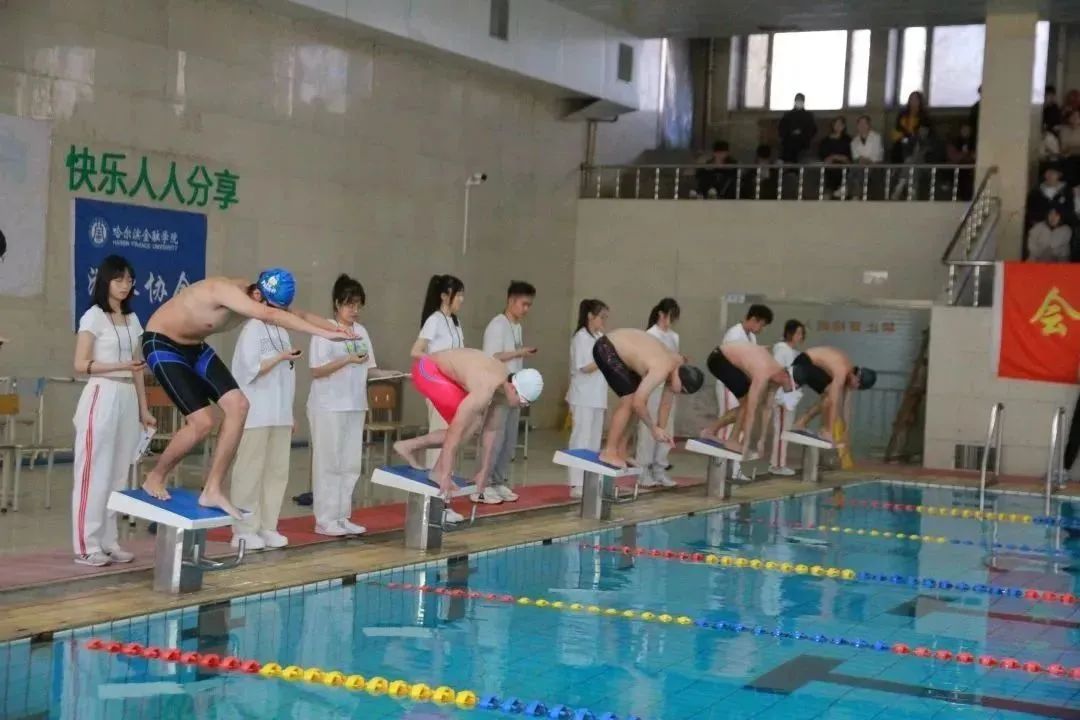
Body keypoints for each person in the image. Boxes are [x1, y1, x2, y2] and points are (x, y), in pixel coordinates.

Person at [140, 270, 353, 517]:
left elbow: (298, 314)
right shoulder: (226, 291)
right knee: (203, 422)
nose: (273, 314)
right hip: (161, 342)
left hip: (195, 348)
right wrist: (326, 335)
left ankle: (212, 489)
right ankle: (155, 477)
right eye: (269, 306)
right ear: (257, 294)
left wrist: (338, 329)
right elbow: (271, 314)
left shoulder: (263, 300)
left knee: (239, 405)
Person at [71, 255, 155, 566]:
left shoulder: (133, 320)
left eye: (129, 280)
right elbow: (80, 364)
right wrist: (119, 365)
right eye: (119, 279)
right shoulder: (93, 317)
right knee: (94, 471)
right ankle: (86, 544)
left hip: (127, 395)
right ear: (106, 281)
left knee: (119, 473)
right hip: (101, 393)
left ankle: (109, 541)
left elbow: (138, 369)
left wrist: (144, 410)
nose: (125, 285)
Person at [307, 274, 397, 536]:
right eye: (349, 304)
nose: (354, 310)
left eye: (358, 305)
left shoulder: (361, 332)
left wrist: (390, 374)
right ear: (337, 304)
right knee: (329, 463)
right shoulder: (325, 330)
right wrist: (347, 359)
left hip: (355, 405)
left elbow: (369, 368)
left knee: (349, 464)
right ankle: (325, 519)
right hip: (328, 406)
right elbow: (316, 370)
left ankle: (342, 515)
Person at [392, 349, 543, 497]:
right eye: (523, 401)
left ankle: (408, 446)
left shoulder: (504, 387)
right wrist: (446, 474)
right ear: (513, 388)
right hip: (427, 369)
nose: (522, 406)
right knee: (468, 425)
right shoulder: (485, 387)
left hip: (444, 374)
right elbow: (455, 432)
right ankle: (436, 470)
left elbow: (492, 430)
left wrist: (484, 471)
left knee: (474, 424)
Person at [227, 281, 302, 550]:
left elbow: (288, 376)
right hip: (256, 412)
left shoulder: (282, 330)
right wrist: (280, 357)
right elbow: (249, 369)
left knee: (276, 472)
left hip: (279, 413)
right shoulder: (252, 329)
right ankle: (243, 529)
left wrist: (290, 412)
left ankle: (268, 526)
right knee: (249, 471)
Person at [592, 328, 704, 468]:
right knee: (630, 401)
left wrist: (661, 432)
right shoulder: (662, 368)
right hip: (606, 347)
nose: (678, 393)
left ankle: (621, 450)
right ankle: (609, 451)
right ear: (681, 383)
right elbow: (638, 403)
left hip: (618, 349)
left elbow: (665, 406)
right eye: (682, 391)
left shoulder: (676, 366)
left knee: (636, 404)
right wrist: (653, 428)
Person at [478, 281, 537, 505]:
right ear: (511, 301)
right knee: (495, 436)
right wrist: (519, 352)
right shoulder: (497, 325)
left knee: (509, 437)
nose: (526, 309)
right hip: (499, 387)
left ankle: (498, 480)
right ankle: (482, 483)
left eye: (529, 305)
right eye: (523, 304)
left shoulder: (517, 326)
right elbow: (491, 356)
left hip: (515, 389)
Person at [701, 342, 795, 463]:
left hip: (727, 359)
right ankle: (732, 440)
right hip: (720, 359)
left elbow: (766, 408)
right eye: (794, 385)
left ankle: (710, 430)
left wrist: (761, 440)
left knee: (750, 404)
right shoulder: (763, 372)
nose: (793, 389)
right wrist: (747, 443)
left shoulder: (777, 377)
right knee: (747, 402)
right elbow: (750, 410)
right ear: (786, 376)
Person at [410, 274, 466, 472]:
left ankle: (446, 482)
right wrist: (439, 362)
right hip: (438, 387)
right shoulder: (434, 320)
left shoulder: (455, 323)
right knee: (439, 435)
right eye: (458, 295)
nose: (461, 299)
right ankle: (434, 482)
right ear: (444, 296)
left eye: (462, 295)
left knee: (452, 438)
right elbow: (416, 351)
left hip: (455, 388)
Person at [718, 304, 773, 481]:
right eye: (761, 324)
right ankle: (722, 468)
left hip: (742, 383)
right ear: (754, 319)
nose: (761, 329)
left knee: (741, 423)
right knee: (728, 426)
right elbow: (736, 361)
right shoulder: (734, 334)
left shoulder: (751, 337)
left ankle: (735, 466)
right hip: (729, 382)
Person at [635, 299, 682, 488]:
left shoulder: (674, 337)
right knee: (649, 428)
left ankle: (660, 468)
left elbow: (675, 361)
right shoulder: (649, 335)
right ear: (661, 314)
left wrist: (676, 376)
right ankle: (643, 470)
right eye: (670, 316)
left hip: (668, 388)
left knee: (666, 427)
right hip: (652, 386)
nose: (671, 321)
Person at [566, 299, 609, 498]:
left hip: (598, 396)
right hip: (582, 397)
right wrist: (605, 358)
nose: (604, 321)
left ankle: (591, 479)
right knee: (580, 439)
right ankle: (576, 483)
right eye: (602, 317)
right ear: (590, 316)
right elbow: (584, 367)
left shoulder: (600, 337)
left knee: (593, 441)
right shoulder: (581, 338)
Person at [791, 346, 877, 445]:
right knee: (830, 396)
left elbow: (846, 405)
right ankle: (823, 430)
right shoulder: (842, 371)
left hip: (809, 365)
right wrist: (830, 431)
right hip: (803, 363)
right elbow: (833, 401)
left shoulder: (850, 374)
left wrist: (846, 430)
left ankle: (802, 423)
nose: (854, 389)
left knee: (828, 396)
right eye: (857, 387)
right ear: (857, 379)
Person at [770, 320, 806, 476]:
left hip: (791, 397)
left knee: (785, 430)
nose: (800, 336)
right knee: (781, 431)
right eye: (798, 333)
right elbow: (777, 373)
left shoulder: (794, 353)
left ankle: (780, 463)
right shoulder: (782, 350)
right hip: (783, 397)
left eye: (802, 333)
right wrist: (783, 395)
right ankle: (777, 465)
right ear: (789, 333)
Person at [891, 91, 930, 164]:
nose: (913, 102)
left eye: (916, 99)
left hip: (917, 140)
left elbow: (924, 132)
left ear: (920, 102)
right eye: (911, 99)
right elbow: (897, 130)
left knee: (914, 144)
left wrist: (913, 135)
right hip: (903, 139)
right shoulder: (902, 115)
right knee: (899, 144)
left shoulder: (924, 116)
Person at [818, 116, 852, 198]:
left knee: (840, 170)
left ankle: (841, 189)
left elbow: (848, 156)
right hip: (829, 165)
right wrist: (829, 159)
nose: (838, 126)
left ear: (843, 126)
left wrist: (836, 157)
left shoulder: (848, 140)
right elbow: (823, 155)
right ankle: (828, 192)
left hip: (843, 165)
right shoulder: (825, 141)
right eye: (836, 124)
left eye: (840, 124)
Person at [778, 93, 816, 164]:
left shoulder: (808, 116)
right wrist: (792, 132)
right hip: (789, 141)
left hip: (803, 141)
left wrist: (801, 132)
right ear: (795, 101)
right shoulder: (787, 115)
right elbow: (782, 129)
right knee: (789, 145)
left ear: (803, 102)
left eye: (801, 100)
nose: (799, 102)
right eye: (797, 100)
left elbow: (812, 130)